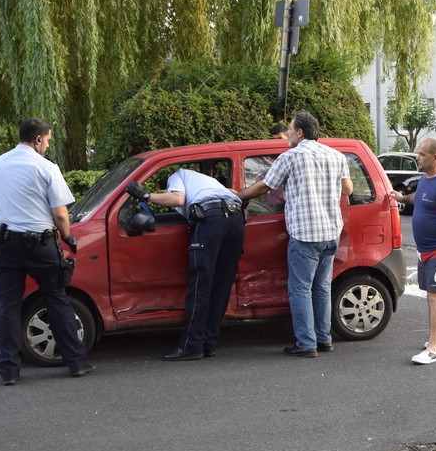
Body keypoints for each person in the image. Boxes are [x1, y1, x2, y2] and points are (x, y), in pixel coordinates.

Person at [0, 118, 93, 386]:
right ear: (39, 139)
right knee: (56, 299)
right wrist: (67, 237)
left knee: (8, 306)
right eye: (49, 139)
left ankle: (9, 370)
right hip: (40, 246)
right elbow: (60, 214)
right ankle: (76, 363)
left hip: (5, 246)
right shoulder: (46, 167)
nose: (48, 144)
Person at [236, 111, 353, 358]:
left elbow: (265, 185)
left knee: (300, 288)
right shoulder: (335, 155)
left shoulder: (290, 157)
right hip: (331, 232)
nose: (287, 133)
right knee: (322, 287)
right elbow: (348, 189)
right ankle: (324, 339)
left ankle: (306, 343)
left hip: (306, 234)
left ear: (300, 132)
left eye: (290, 129)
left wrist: (239, 196)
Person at [124, 170, 245, 360]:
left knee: (201, 286)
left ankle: (192, 346)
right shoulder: (207, 181)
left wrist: (145, 195)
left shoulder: (177, 175)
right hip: (236, 220)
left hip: (212, 219)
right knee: (221, 286)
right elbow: (233, 192)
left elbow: (177, 199)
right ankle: (209, 343)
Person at [390, 138, 436, 365]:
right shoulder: (425, 179)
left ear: (435, 158)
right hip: (425, 250)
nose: (417, 158)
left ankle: (433, 348)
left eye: (421, 154)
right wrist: (402, 198)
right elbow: (418, 197)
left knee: (433, 297)